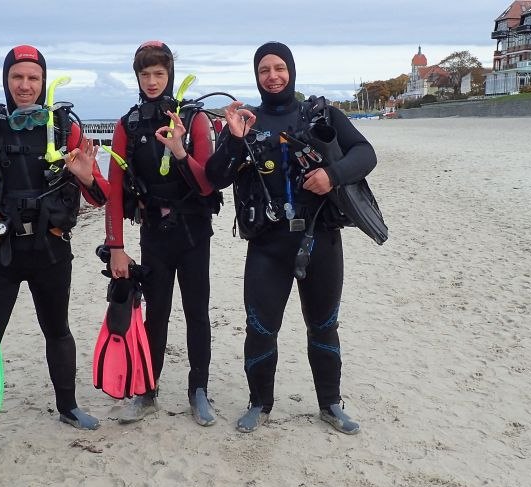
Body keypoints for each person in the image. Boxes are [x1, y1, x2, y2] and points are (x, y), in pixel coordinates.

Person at [0, 45, 110, 474]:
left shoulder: (65, 129)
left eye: (33, 78)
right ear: (6, 80)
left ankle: (68, 406)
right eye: (17, 77)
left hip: (51, 251)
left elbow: (102, 196)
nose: (25, 86)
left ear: (44, 82)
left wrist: (85, 175)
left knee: (58, 330)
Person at [204, 42, 377, 434]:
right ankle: (259, 404)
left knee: (324, 325)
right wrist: (234, 140)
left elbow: (365, 154)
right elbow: (215, 178)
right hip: (268, 244)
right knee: (260, 327)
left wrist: (331, 175)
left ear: (291, 70)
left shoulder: (321, 114)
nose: (273, 76)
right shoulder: (246, 121)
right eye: (264, 70)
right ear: (256, 76)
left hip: (320, 238)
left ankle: (330, 405)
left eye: (279, 68)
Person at [103, 41, 218, 426]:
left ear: (170, 75)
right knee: (156, 315)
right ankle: (147, 391)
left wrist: (180, 149)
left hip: (193, 233)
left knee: (197, 312)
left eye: (159, 73)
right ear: (137, 77)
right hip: (153, 234)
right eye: (144, 74)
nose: (151, 81)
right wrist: (116, 246)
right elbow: (114, 191)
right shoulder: (129, 124)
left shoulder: (194, 119)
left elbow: (207, 185)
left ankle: (198, 390)